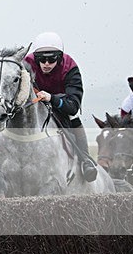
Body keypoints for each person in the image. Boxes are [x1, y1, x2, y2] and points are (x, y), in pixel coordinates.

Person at [25, 31, 98, 182]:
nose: (46, 64)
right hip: (35, 103)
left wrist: (52, 98)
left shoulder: (70, 68)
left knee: (74, 116)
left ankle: (85, 159)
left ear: (59, 58)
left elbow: (73, 106)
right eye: (41, 59)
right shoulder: (26, 65)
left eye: (51, 60)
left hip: (62, 104)